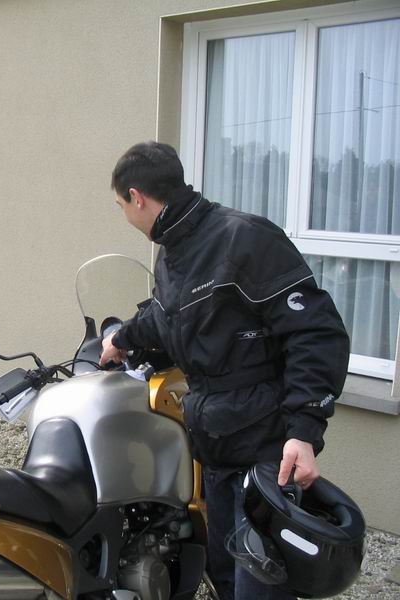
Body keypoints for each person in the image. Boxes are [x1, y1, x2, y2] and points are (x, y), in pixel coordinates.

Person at [99, 142, 349, 600]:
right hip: (215, 444)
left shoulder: (245, 238)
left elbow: (316, 332)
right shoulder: (174, 253)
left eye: (120, 205)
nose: (125, 215)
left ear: (137, 197)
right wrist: (122, 339)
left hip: (266, 446)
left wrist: (304, 429)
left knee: (261, 583)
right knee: (225, 574)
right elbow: (165, 314)